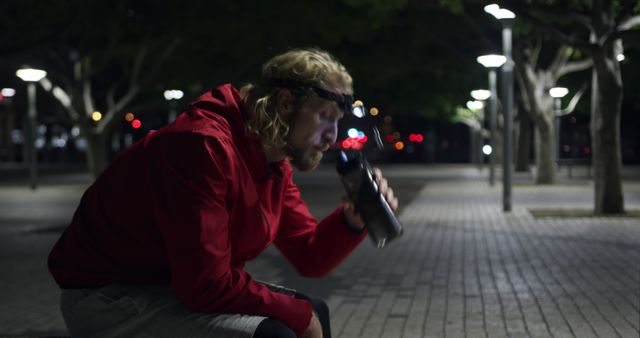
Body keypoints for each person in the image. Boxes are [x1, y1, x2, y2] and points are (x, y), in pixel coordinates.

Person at [48, 48, 398, 338]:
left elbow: (309, 256)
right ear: (286, 102)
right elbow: (205, 284)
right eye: (325, 117)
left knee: (310, 311)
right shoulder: (202, 147)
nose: (332, 136)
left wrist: (351, 222)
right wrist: (297, 313)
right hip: (109, 296)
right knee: (278, 332)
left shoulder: (273, 159)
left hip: (167, 283)